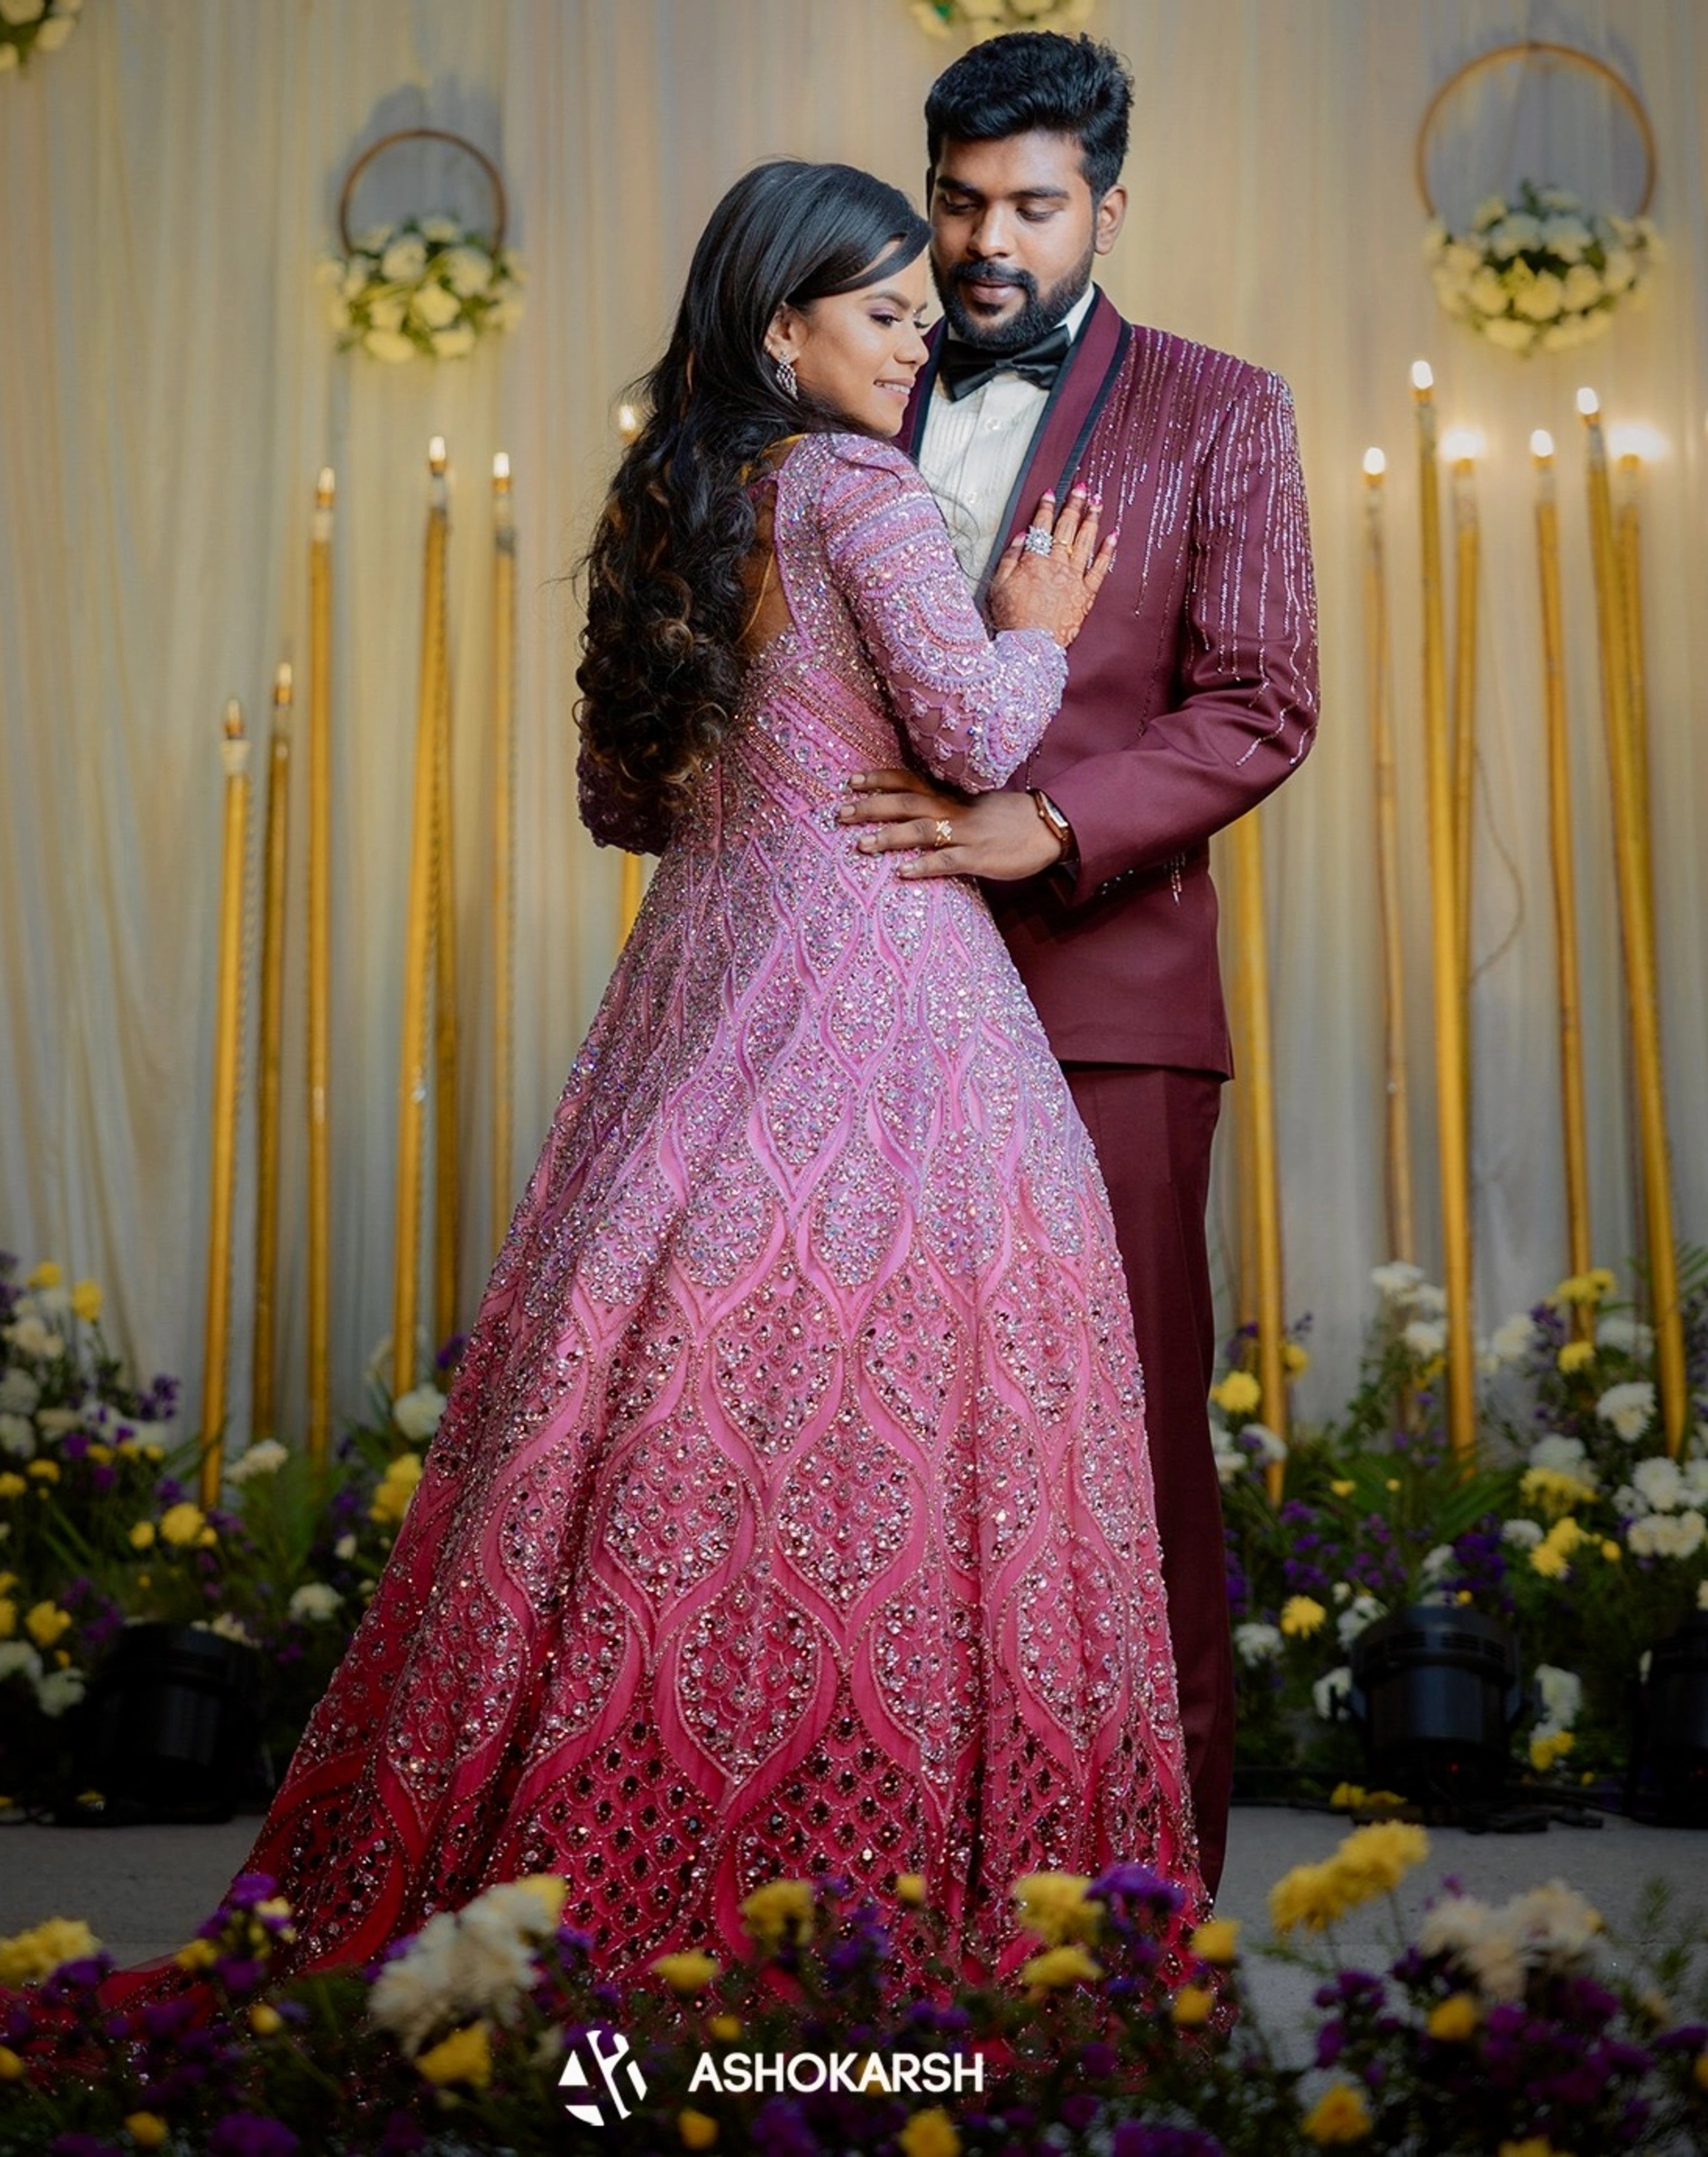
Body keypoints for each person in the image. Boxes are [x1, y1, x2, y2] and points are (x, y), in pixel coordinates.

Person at [240, 158, 1201, 1984]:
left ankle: (618, 1838)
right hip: (884, 990)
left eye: (924, 314)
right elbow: (985, 734)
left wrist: (769, 791)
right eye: (886, 313)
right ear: (782, 325)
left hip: (701, 984)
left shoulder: (675, 492)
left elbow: (623, 799)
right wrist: (1043, 618)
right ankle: (886, 1860)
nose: (922, 342)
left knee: (686, 1403)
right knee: (922, 1420)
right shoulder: (859, 486)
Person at [838, 33, 1318, 1896]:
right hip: (851, 1010)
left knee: (1120, 1471)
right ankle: (879, 1899)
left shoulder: (1219, 408)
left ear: (1106, 207)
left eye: (1030, 205)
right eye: (957, 201)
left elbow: (1258, 701)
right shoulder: (844, 390)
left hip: (1101, 1009)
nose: (984, 243)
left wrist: (1036, 829)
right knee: (876, 1458)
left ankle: (1149, 1927)